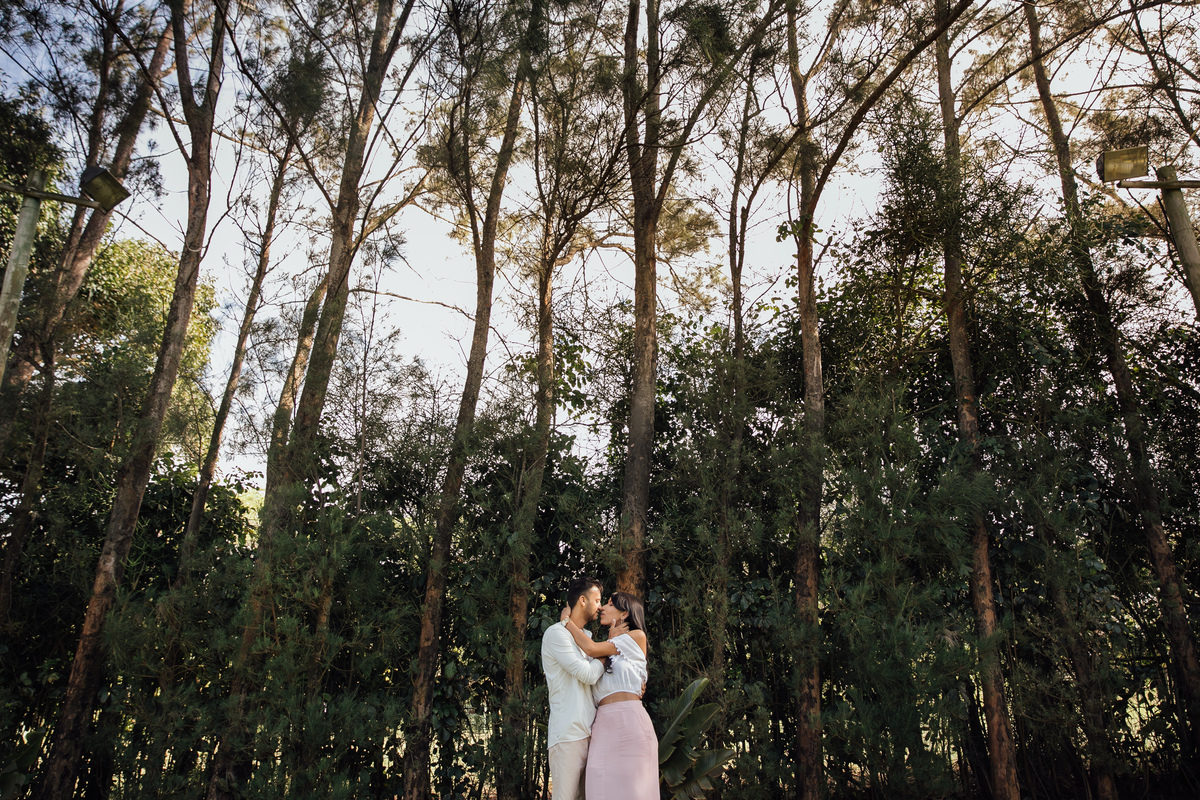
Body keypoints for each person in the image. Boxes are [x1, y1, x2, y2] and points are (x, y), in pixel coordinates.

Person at [559, 592, 656, 800]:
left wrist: (566, 622)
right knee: (600, 789)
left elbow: (591, 648)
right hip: (602, 728)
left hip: (631, 726)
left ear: (624, 614)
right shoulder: (610, 649)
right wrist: (611, 640)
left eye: (610, 604)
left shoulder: (638, 637)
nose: (602, 607)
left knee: (634, 792)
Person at [542, 576, 605, 800]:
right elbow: (587, 674)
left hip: (591, 735)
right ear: (582, 601)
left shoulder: (587, 639)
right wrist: (605, 654)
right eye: (597, 600)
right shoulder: (556, 634)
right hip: (568, 736)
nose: (601, 606)